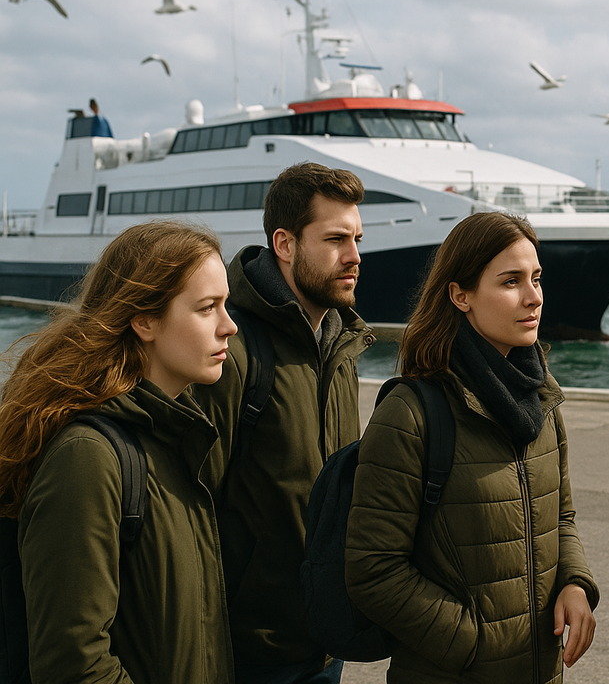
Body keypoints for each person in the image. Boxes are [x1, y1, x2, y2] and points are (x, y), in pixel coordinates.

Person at [345, 211, 599, 683]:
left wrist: (575, 584)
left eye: (536, 278)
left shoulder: (542, 399)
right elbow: (372, 569)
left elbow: (560, 518)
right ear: (460, 295)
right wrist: (474, 642)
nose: (533, 298)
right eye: (510, 282)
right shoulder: (411, 412)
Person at [0, 221, 237, 682]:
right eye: (208, 308)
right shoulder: (88, 458)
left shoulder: (174, 436)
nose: (229, 326)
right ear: (144, 320)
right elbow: (74, 663)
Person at [191, 162, 373, 684]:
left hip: (324, 639)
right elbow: (191, 502)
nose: (355, 257)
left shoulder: (342, 344)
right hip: (250, 651)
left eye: (357, 238)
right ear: (285, 244)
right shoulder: (233, 347)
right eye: (336, 239)